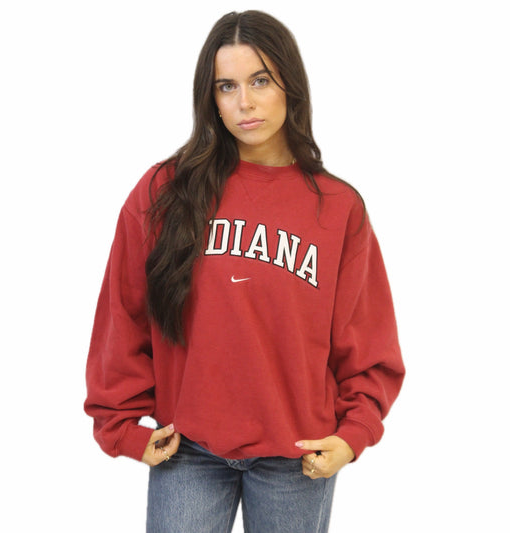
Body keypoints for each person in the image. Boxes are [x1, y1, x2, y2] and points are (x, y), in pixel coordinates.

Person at [84, 10, 405, 533]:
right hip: (186, 449)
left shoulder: (337, 207)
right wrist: (121, 426)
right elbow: (124, 313)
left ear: (290, 85)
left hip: (300, 455)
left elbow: (367, 337)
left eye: (260, 80)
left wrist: (354, 433)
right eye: (226, 86)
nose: (244, 103)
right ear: (210, 98)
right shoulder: (165, 192)